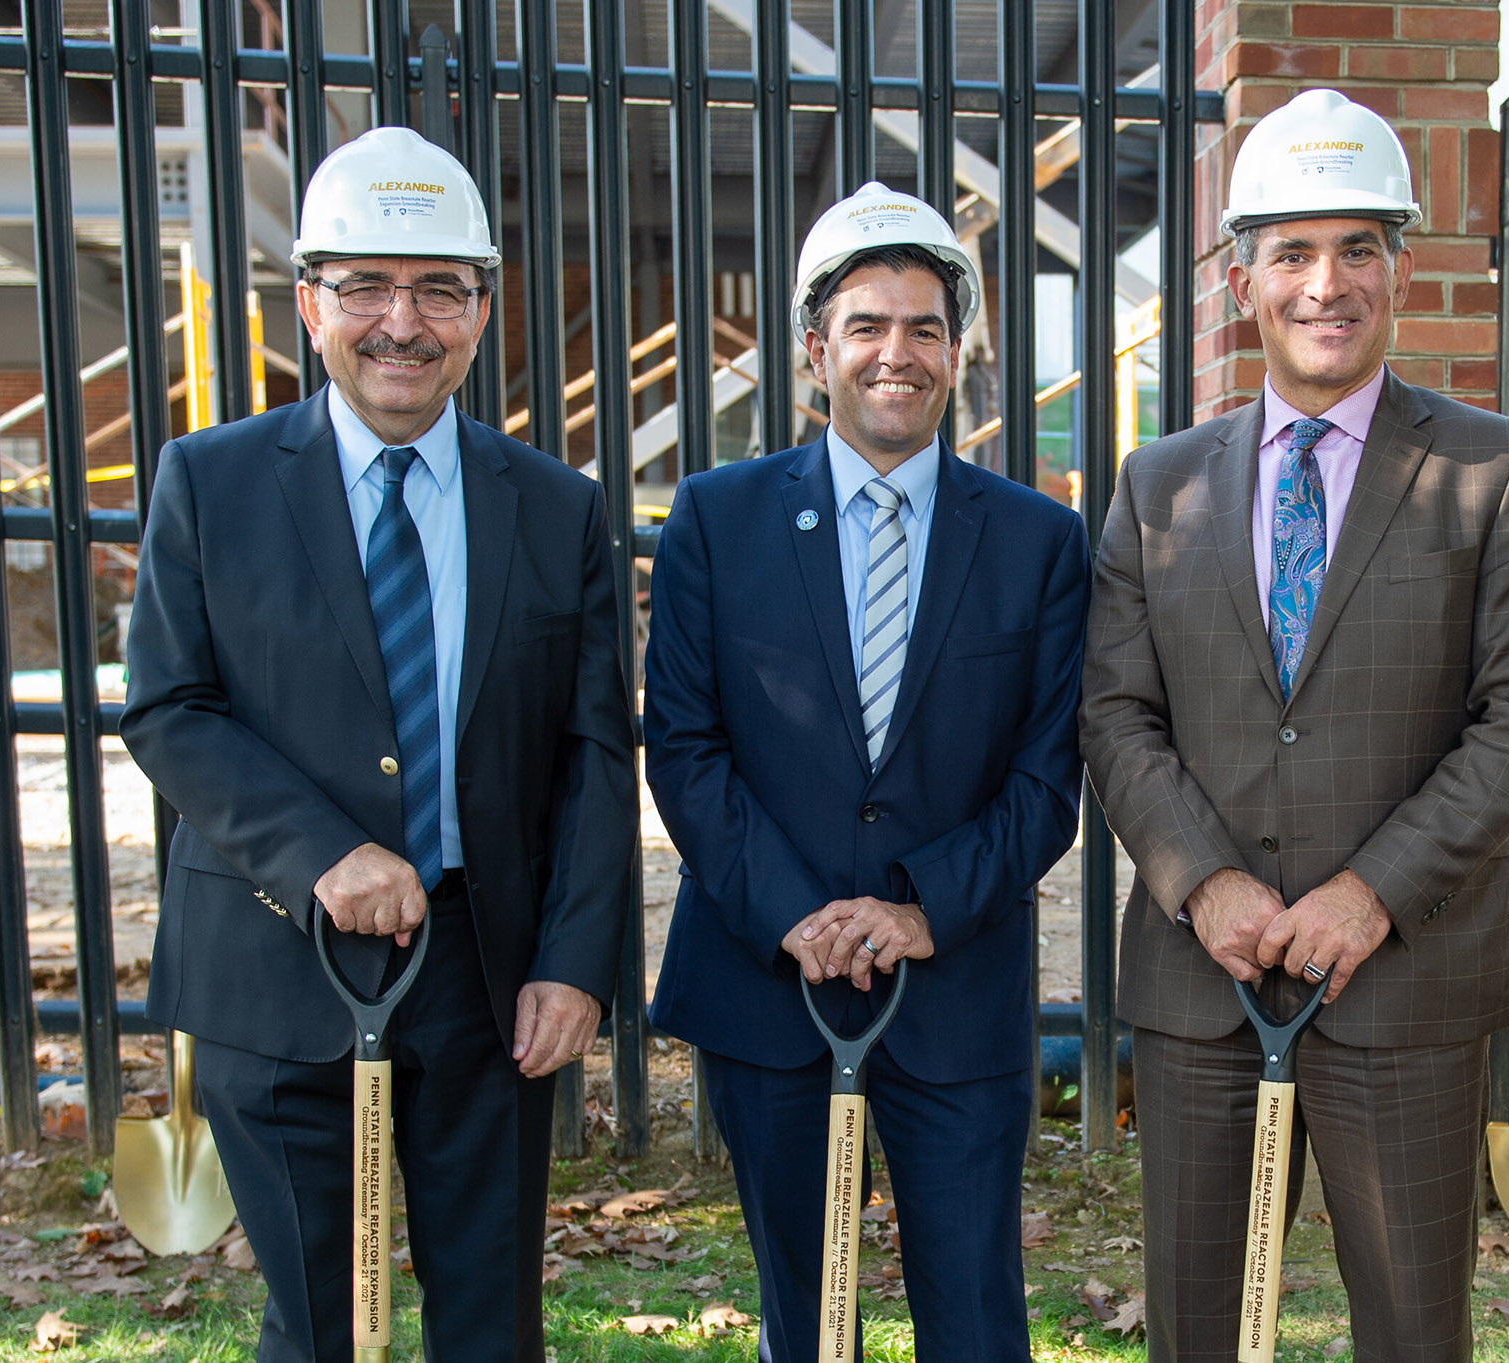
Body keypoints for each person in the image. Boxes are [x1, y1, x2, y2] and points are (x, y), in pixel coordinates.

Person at [1078, 89, 1509, 1363]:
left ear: (1400, 272)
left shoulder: (1490, 464)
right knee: (1198, 1327)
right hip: (1206, 981)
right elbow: (1115, 712)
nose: (1324, 283)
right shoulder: (1160, 483)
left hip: (1404, 980)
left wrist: (1372, 891)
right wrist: (1203, 887)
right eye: (1290, 252)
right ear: (1239, 278)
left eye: (1356, 247)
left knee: (1413, 1330)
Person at [121, 125, 636, 1362]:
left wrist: (574, 964)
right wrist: (320, 855)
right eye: (364, 287)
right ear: (308, 304)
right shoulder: (212, 480)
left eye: (438, 291)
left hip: (485, 972)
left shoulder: (554, 507)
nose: (400, 322)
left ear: (480, 310)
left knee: (489, 1323)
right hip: (273, 961)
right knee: (318, 1327)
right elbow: (168, 708)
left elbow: (592, 751)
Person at [644, 181, 1089, 1361]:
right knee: (808, 1311)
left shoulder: (1039, 540)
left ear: (959, 348)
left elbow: (1049, 779)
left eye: (925, 327)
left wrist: (917, 909)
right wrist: (796, 916)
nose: (898, 353)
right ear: (813, 349)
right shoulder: (714, 518)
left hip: (951, 988)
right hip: (765, 983)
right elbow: (685, 752)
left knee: (977, 1315)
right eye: (865, 325)